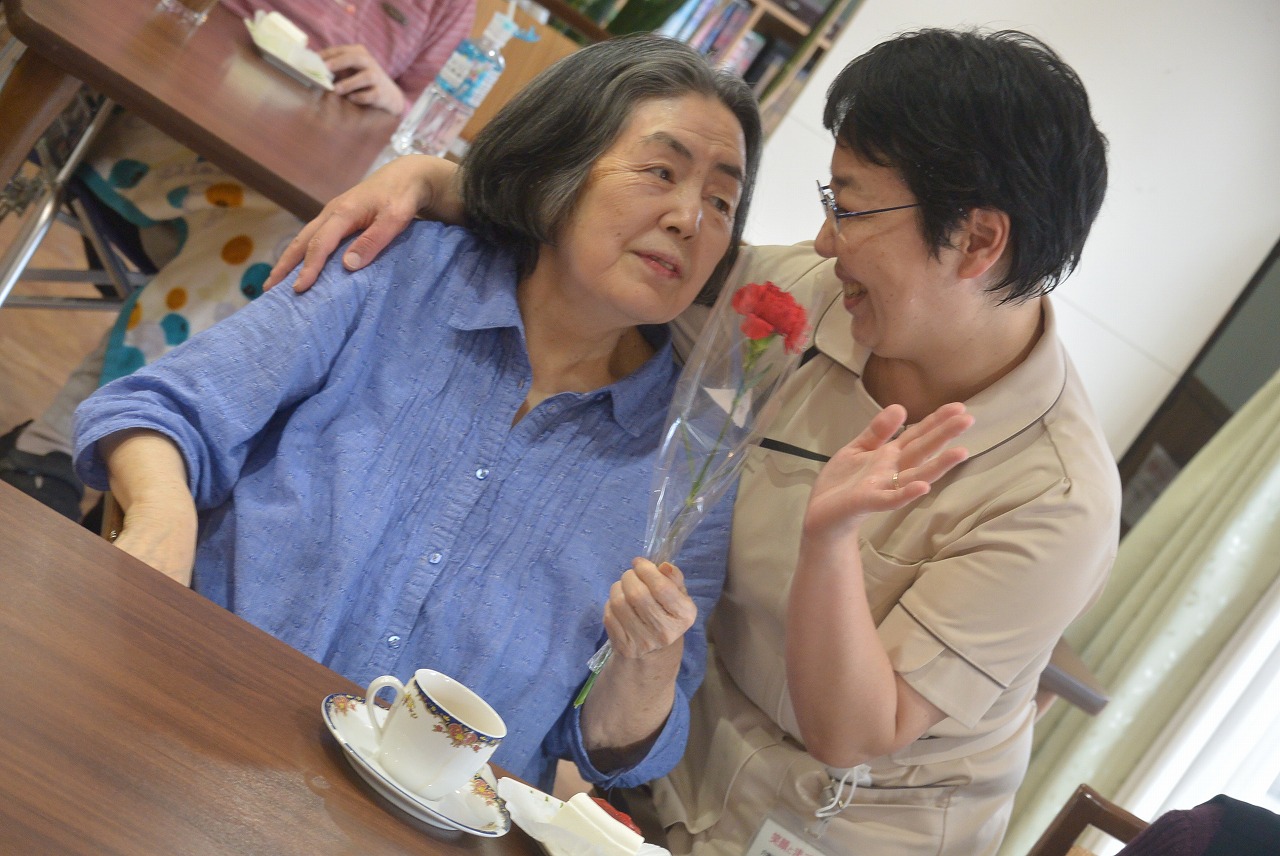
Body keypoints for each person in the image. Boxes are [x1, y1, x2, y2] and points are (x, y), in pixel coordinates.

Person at [263, 27, 1119, 856]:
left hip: (827, 828)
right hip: (656, 771)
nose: (826, 241)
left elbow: (855, 730)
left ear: (977, 240)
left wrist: (829, 543)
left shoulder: (1056, 499)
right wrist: (424, 178)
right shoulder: (806, 296)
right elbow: (613, 240)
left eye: (852, 208)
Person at [70, 35, 777, 795]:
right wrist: (163, 513)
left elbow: (612, 746)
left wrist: (649, 663)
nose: (689, 218)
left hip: (413, 824)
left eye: (721, 202)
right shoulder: (398, 271)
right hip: (189, 721)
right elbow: (163, 408)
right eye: (660, 172)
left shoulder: (691, 459)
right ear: (559, 167)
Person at [0, 0, 474, 520]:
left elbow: (425, 116)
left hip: (272, 194)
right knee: (287, 250)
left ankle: (102, 462)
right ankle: (113, 468)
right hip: (153, 122)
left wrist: (394, 98)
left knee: (305, 249)